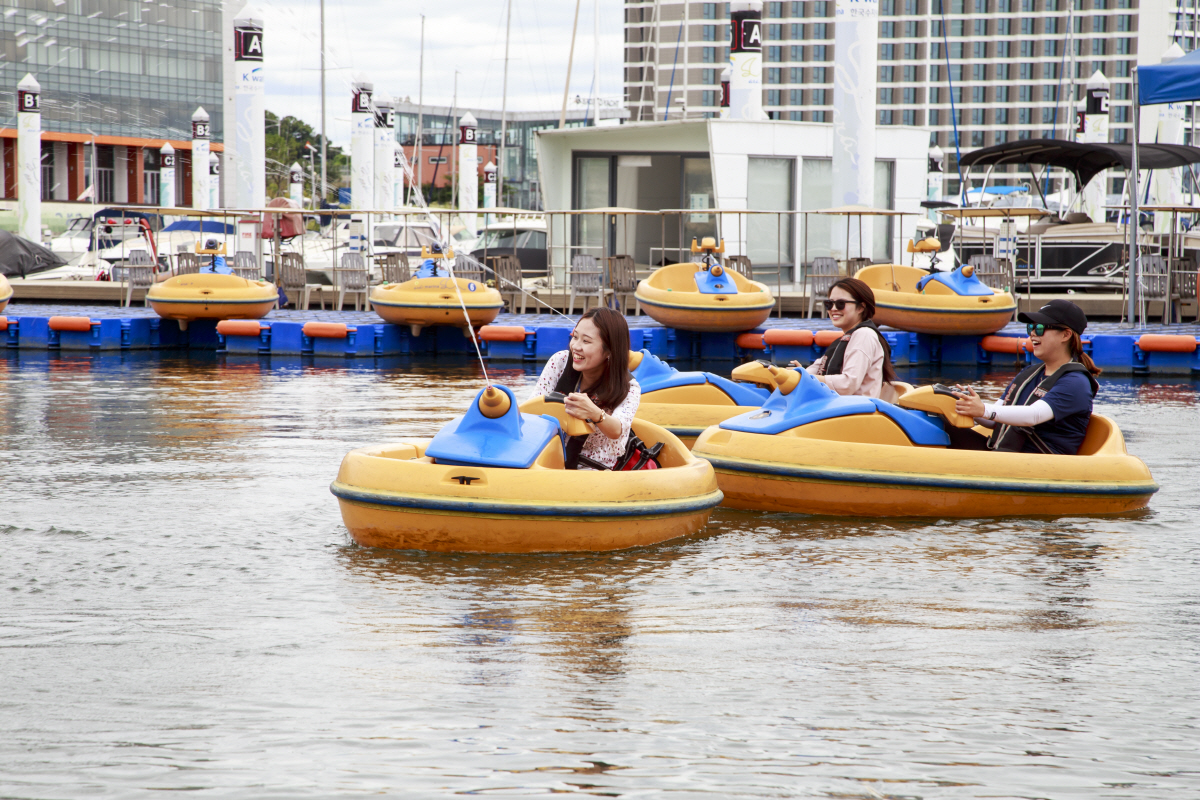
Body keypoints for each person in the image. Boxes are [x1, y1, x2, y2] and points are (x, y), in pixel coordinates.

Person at [951, 299, 1101, 455]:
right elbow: (992, 419)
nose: (1033, 333)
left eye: (1040, 328)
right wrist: (966, 406)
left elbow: (1034, 415)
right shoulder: (1028, 373)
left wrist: (984, 410)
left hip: (1040, 462)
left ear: (1066, 335)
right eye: (1031, 327)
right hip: (1005, 453)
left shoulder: (1076, 383)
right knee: (938, 424)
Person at [528, 306, 640, 470]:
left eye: (586, 341)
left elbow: (618, 429)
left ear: (609, 350)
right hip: (550, 457)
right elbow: (532, 409)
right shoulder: (559, 362)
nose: (576, 347)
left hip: (593, 468)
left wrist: (595, 413)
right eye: (575, 337)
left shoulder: (629, 387)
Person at [795, 277, 900, 402]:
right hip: (838, 409)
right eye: (829, 304)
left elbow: (848, 384)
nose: (833, 309)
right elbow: (814, 370)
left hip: (854, 413)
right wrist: (795, 374)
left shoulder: (864, 335)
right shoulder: (843, 341)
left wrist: (804, 377)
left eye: (840, 304)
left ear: (861, 307)